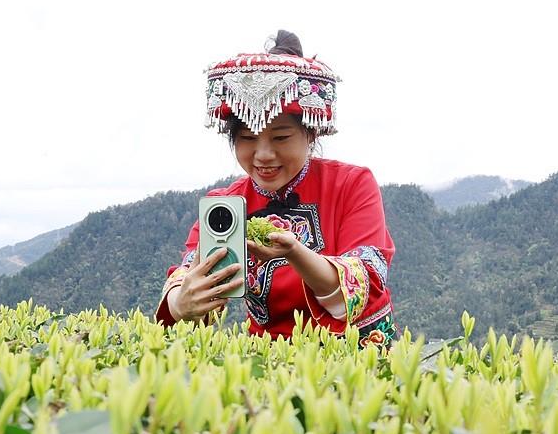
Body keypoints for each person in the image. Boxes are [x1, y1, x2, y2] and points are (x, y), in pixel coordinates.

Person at [154, 30, 397, 349]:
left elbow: (364, 283)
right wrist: (180, 302)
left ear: (311, 135)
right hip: (270, 361)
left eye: (281, 138)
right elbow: (188, 277)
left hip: (356, 352)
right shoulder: (226, 204)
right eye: (247, 139)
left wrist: (295, 253)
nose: (263, 155)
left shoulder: (351, 185)